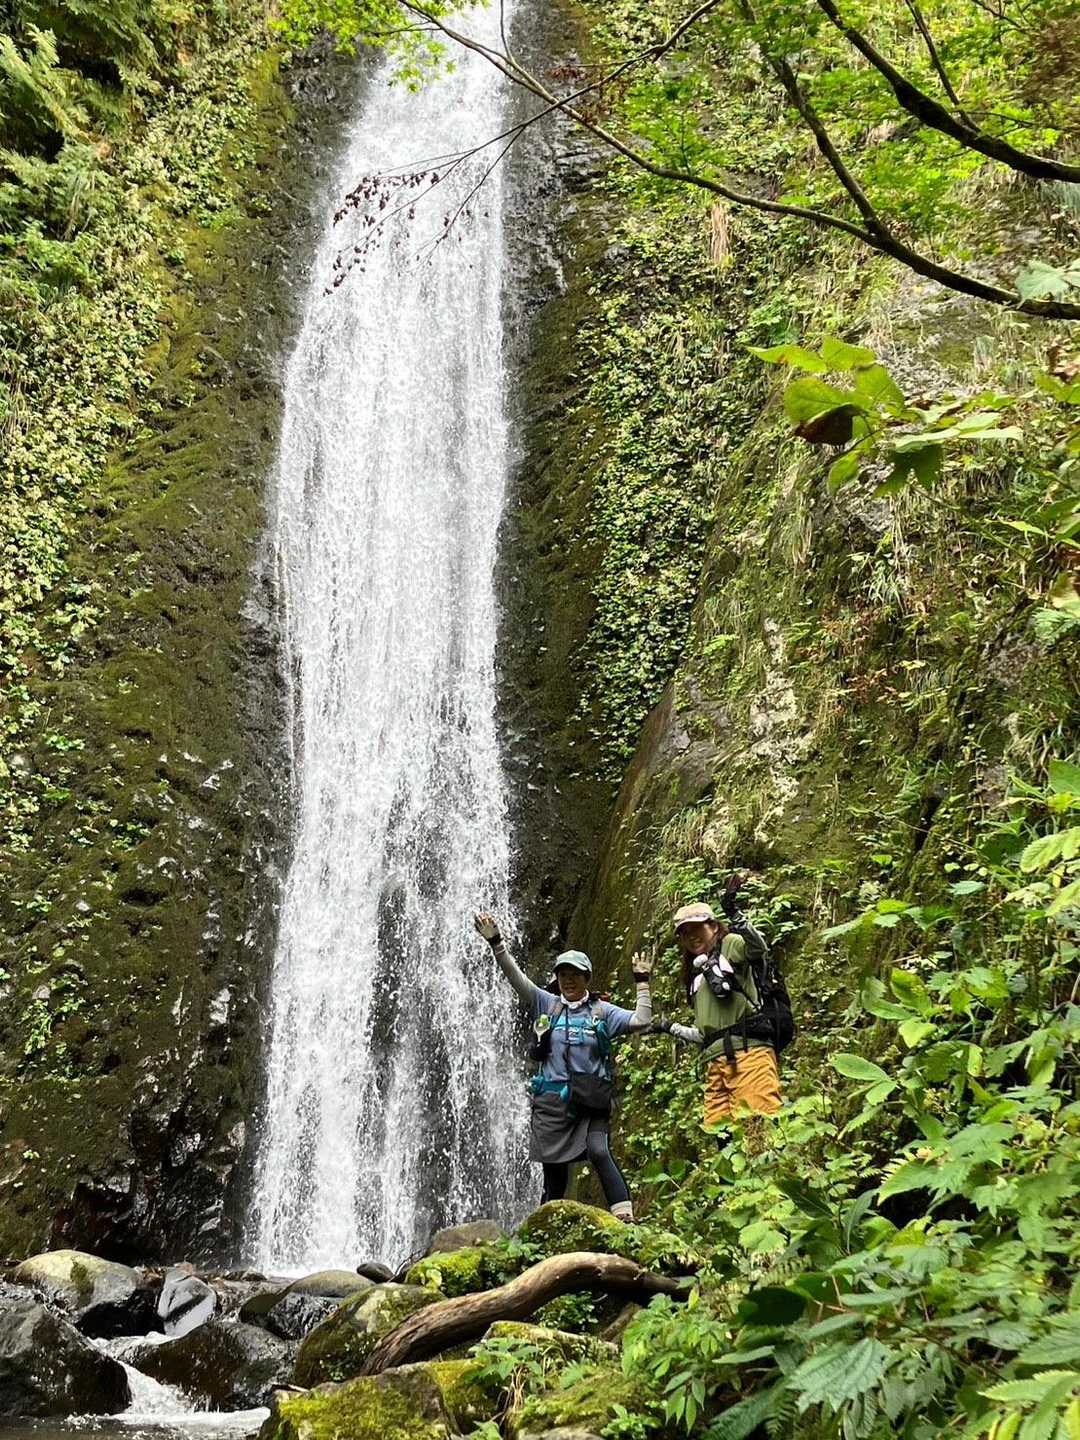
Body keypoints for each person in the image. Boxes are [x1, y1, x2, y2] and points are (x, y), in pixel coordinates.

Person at [473, 911, 652, 1222]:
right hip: (552, 1102)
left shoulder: (602, 1011)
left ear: (587, 978)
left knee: (599, 1150)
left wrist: (642, 983)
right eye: (563, 974)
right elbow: (516, 978)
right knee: (554, 1176)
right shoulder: (546, 1003)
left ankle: (625, 1219)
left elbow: (641, 1020)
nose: (568, 980)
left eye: (575, 974)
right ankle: (547, 1231)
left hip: (590, 1099)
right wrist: (497, 943)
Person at [652, 874, 785, 1131]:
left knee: (759, 1131)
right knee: (723, 1140)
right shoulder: (696, 977)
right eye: (685, 933)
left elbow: (758, 949)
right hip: (716, 1065)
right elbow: (706, 1035)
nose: (691, 936)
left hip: (748, 1055)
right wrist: (670, 1027)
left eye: (696, 928)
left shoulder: (730, 945)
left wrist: (734, 913)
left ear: (713, 926)